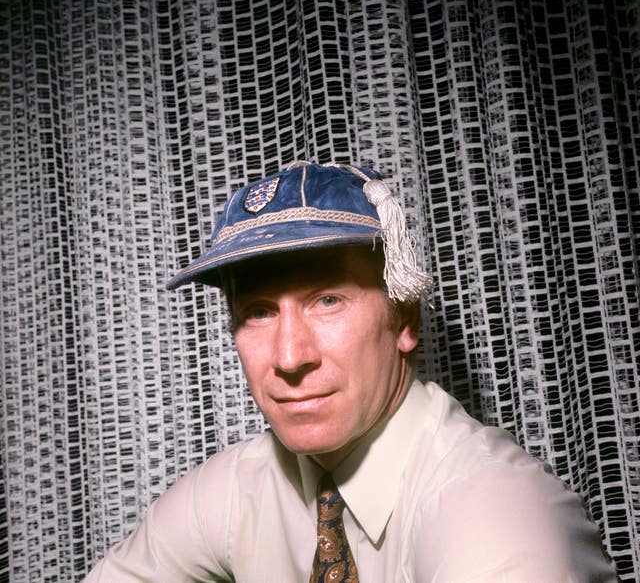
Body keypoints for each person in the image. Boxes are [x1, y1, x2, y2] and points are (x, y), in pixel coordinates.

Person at [86, 161, 617, 582]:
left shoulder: (495, 510)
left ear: (404, 318)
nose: (290, 357)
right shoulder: (234, 490)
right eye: (259, 311)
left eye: (328, 301)